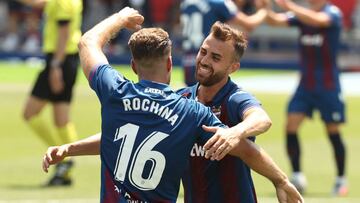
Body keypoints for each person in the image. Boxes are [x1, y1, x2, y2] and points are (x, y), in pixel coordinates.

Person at [43, 7, 304, 203]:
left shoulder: (233, 98)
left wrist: (235, 132)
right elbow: (120, 137)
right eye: (203, 52)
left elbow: (260, 120)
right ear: (171, 64)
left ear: (232, 67)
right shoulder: (186, 106)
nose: (204, 60)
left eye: (215, 57)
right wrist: (71, 148)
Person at [266, 0, 347, 196]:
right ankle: (297, 175)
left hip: (328, 85)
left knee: (332, 130)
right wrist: (263, 6)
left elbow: (319, 20)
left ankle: (340, 180)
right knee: (290, 126)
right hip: (306, 85)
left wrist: (289, 6)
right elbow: (273, 21)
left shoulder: (332, 13)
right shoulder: (302, 16)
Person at [19, 0, 82, 186]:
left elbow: (63, 33)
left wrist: (55, 66)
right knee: (61, 120)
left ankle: (63, 158)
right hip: (66, 60)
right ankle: (66, 165)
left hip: (58, 60)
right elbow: (41, 3)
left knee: (29, 113)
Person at [181, 0, 268, 86]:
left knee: (193, 95)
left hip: (189, 59)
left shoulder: (186, 3)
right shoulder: (220, 3)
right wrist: (264, 11)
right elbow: (249, 25)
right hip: (210, 59)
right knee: (210, 97)